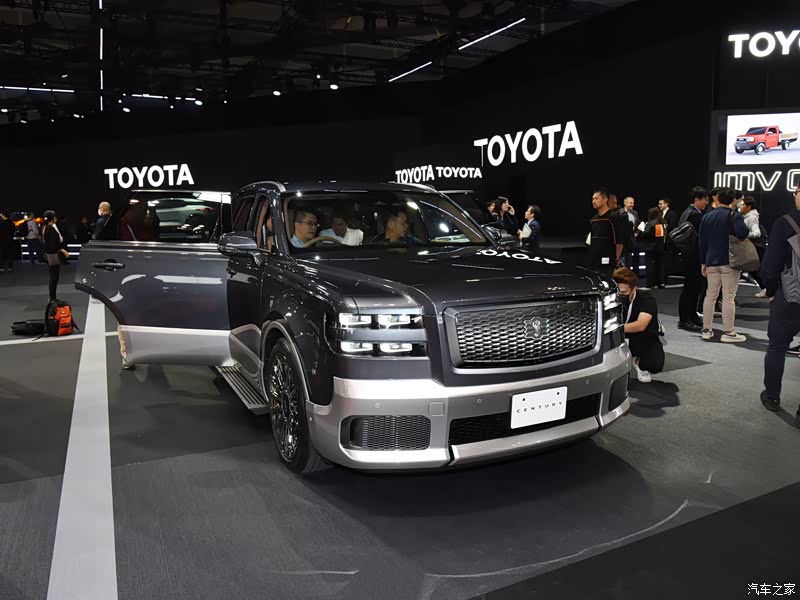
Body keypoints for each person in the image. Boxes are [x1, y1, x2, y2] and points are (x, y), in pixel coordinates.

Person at [759, 183, 800, 426]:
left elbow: (771, 264)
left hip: (789, 296)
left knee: (777, 347)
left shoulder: (785, 223)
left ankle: (772, 396)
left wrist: (771, 290)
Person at [699, 187, 749, 342]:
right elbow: (743, 233)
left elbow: (702, 241)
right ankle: (728, 333)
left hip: (711, 261)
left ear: (717, 198)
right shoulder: (734, 215)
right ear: (733, 200)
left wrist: (703, 262)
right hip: (730, 261)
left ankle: (706, 330)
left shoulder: (707, 217)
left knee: (710, 295)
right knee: (728, 296)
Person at [613, 267, 664, 383]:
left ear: (634, 289)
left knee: (654, 364)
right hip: (617, 337)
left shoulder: (646, 299)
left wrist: (614, 328)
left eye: (624, 293)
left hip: (640, 337)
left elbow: (641, 325)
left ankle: (638, 361)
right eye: (618, 292)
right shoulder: (610, 298)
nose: (620, 295)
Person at [676, 186, 708, 331]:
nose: (706, 203)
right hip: (692, 257)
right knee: (691, 288)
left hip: (687, 256)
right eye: (705, 200)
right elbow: (699, 238)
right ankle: (685, 319)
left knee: (692, 288)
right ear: (697, 199)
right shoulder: (694, 214)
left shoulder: (686, 212)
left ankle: (691, 316)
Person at [588, 188, 622, 275]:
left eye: (596, 198)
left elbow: (619, 240)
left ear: (605, 199)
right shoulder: (593, 219)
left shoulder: (613, 218)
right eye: (592, 199)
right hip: (595, 260)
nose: (593, 201)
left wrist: (617, 258)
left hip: (608, 260)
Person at [740, 197, 766, 297]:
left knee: (752, 269)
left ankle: (765, 288)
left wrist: (743, 235)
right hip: (751, 247)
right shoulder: (748, 216)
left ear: (749, 207)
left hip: (753, 247)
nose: (741, 207)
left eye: (743, 205)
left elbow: (756, 233)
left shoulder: (751, 217)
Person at [42, 210, 70, 301]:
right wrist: (63, 251)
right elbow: (54, 244)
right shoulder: (51, 229)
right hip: (53, 255)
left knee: (53, 276)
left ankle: (52, 297)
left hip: (49, 255)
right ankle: (52, 297)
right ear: (53, 218)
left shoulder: (45, 227)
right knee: (54, 277)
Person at [640, 207, 667, 289]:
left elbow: (645, 234)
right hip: (661, 247)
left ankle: (650, 283)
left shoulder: (651, 223)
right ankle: (661, 282)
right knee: (660, 265)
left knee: (650, 266)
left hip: (651, 247)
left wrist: (642, 229)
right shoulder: (663, 223)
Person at [623, 196, 641, 271]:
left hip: (632, 239)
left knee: (633, 257)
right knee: (624, 258)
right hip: (623, 239)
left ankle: (633, 273)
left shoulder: (635, 213)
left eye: (633, 203)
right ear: (625, 203)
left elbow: (639, 224)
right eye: (631, 203)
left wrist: (637, 233)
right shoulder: (620, 213)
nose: (632, 205)